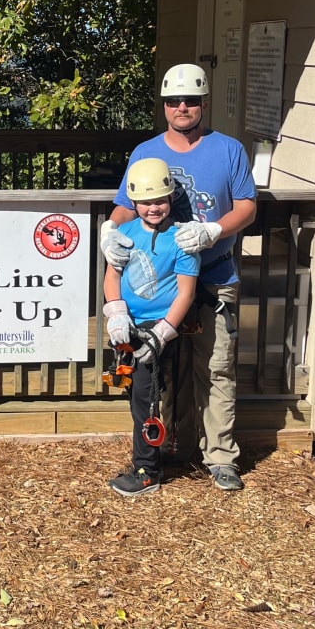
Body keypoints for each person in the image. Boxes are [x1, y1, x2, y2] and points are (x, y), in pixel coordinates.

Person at [100, 63, 257, 491]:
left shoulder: (228, 150)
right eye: (173, 101)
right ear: (165, 105)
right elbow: (127, 205)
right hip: (160, 282)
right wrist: (109, 230)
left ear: (204, 102)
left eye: (190, 100)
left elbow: (247, 207)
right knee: (163, 370)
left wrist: (214, 230)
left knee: (215, 366)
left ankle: (221, 457)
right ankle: (169, 448)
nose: (182, 107)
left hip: (214, 274)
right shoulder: (147, 152)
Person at [104, 158, 199, 497]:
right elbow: (112, 277)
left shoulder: (182, 239)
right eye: (145, 201)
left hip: (159, 329)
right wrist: (115, 311)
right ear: (133, 203)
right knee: (137, 395)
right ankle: (153, 458)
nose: (153, 207)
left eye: (160, 200)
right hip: (128, 326)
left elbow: (186, 292)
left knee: (148, 401)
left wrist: (163, 332)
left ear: (171, 198)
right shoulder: (125, 235)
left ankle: (147, 471)